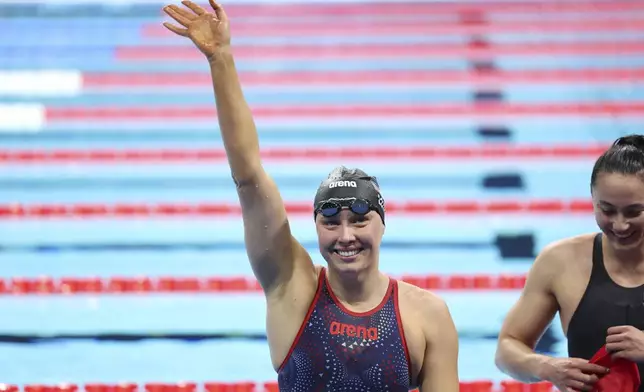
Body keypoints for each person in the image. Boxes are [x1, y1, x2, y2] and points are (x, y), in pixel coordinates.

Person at [161, 1, 460, 391]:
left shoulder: (426, 316)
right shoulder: (293, 288)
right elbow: (249, 178)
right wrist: (221, 59)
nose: (345, 235)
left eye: (359, 219)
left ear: (382, 225)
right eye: (331, 222)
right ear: (316, 228)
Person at [495, 134, 644, 392]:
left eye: (634, 212)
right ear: (592, 200)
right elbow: (508, 347)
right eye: (606, 210)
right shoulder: (561, 262)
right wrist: (546, 367)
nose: (620, 225)